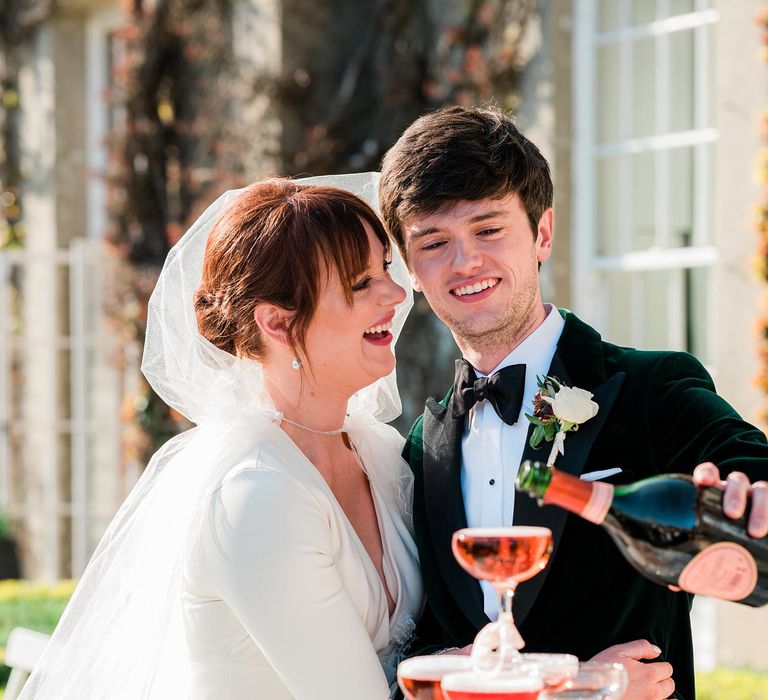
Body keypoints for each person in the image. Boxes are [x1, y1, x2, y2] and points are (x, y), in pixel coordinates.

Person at [378, 106, 768, 700]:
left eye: (488, 229)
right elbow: (433, 640)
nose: (465, 263)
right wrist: (583, 687)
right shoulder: (420, 447)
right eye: (434, 242)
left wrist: (751, 500)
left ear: (541, 233)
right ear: (410, 269)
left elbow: (747, 468)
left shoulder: (647, 388)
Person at [20, 174, 422, 699]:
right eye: (360, 283)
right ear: (277, 324)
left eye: (386, 269)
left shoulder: (381, 452)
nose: (397, 293)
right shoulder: (256, 495)